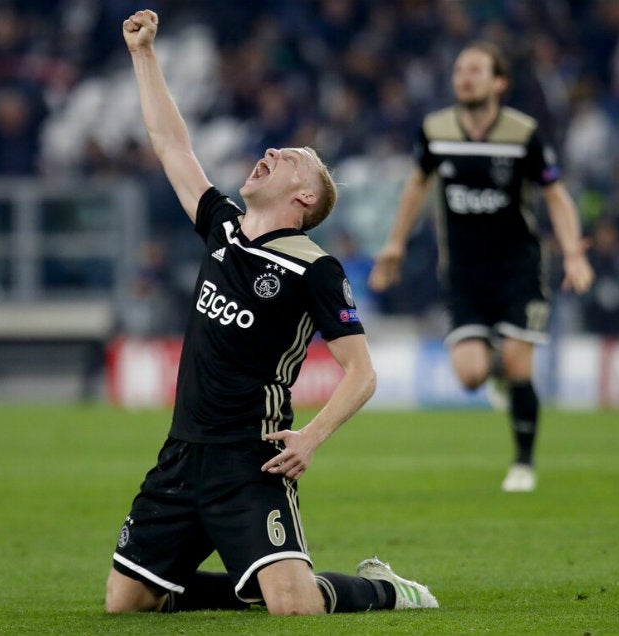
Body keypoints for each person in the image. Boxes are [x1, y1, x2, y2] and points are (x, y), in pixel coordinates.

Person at [105, 10, 439, 616]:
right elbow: (171, 143)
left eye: (289, 157)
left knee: (298, 610)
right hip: (181, 453)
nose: (271, 151)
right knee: (127, 604)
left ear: (304, 197)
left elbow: (362, 373)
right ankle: (249, 588)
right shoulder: (223, 228)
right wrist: (144, 54)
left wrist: (311, 437)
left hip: (250, 457)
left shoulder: (315, 269)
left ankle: (388, 590)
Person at [368, 42, 594, 493]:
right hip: (464, 273)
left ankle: (523, 464)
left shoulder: (523, 133)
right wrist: (393, 244)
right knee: (471, 375)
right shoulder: (435, 131)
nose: (464, 78)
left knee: (517, 359)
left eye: (475, 70)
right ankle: (501, 377)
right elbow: (416, 185)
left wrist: (573, 252)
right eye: (459, 71)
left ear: (499, 82)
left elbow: (555, 194)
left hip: (519, 268)